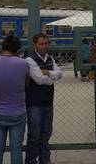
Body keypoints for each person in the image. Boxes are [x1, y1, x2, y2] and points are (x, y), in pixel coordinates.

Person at [0, 35, 30, 164]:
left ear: (3, 46)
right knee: (16, 149)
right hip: (18, 112)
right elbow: (26, 83)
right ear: (17, 49)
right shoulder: (23, 63)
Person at [25, 33, 63, 164]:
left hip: (48, 103)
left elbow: (60, 74)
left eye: (46, 43)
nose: (44, 46)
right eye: (41, 44)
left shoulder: (50, 58)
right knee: (34, 136)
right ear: (35, 44)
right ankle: (31, 161)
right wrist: (52, 77)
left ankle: (45, 160)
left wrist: (48, 73)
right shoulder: (29, 60)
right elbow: (39, 80)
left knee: (46, 135)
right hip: (34, 104)